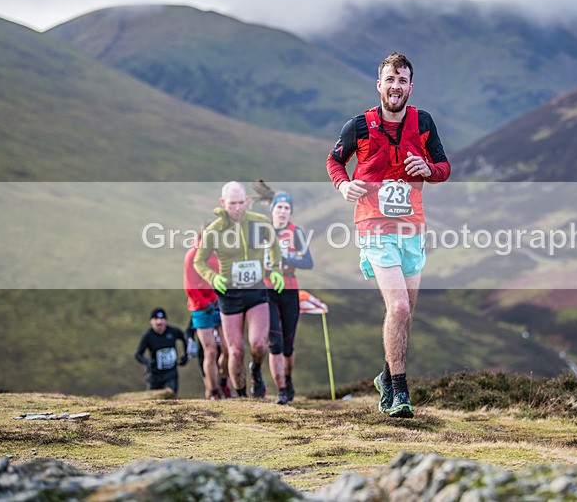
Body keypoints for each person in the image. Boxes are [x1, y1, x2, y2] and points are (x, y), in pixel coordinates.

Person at [326, 52, 451, 418]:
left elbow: (444, 168)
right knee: (397, 307)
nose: (396, 87)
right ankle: (400, 391)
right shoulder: (359, 126)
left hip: (412, 227)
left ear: (410, 87)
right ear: (379, 85)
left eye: (402, 81)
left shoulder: (423, 122)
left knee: (405, 313)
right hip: (374, 225)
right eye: (390, 80)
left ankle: (384, 376)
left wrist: (427, 168)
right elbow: (334, 161)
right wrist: (343, 185)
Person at [193, 181, 284, 399]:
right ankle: (242, 397)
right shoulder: (214, 230)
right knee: (235, 351)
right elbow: (199, 261)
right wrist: (213, 277)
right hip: (230, 296)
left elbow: (273, 245)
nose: (237, 208)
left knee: (259, 345)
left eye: (241, 203)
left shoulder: (259, 222)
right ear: (222, 202)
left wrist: (276, 269)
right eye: (232, 203)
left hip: (256, 291)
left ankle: (255, 370)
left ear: (247, 201)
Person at [265, 191, 314, 405]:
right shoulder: (262, 232)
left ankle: (288, 378)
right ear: (272, 210)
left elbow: (308, 262)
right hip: (267, 290)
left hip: (289, 289)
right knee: (274, 342)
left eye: (287, 208)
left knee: (287, 345)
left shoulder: (296, 232)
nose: (283, 211)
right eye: (279, 207)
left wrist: (286, 259)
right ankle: (282, 390)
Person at [185, 232, 231, 400]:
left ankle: (223, 380)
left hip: (219, 303)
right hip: (200, 308)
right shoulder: (192, 255)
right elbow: (189, 286)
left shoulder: (218, 253)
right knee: (210, 351)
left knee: (228, 348)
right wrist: (205, 304)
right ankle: (213, 391)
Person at [134, 307, 188, 396]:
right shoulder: (148, 336)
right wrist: (148, 362)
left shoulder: (174, 331)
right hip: (154, 375)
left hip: (171, 373)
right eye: (156, 319)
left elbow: (186, 339)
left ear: (165, 320)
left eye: (162, 319)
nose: (159, 322)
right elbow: (138, 355)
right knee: (151, 399)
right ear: (151, 321)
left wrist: (186, 356)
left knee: (171, 396)